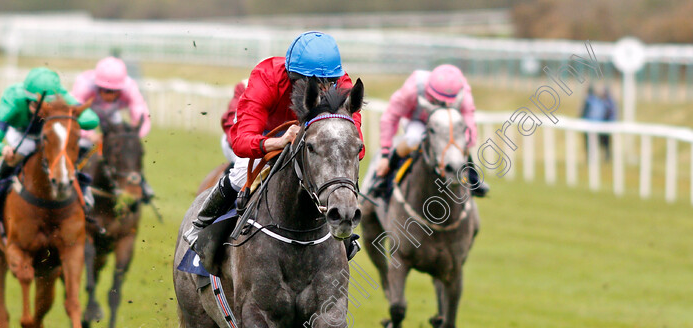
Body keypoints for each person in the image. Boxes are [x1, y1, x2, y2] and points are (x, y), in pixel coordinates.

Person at [183, 31, 364, 260]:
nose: (323, 91)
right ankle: (201, 225)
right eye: (313, 84)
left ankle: (344, 233)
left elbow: (357, 145)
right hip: (264, 135)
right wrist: (279, 141)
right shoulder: (266, 77)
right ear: (292, 76)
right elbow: (241, 141)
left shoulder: (343, 84)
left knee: (334, 171)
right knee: (240, 174)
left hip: (311, 140)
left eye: (328, 83)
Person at [0, 67, 100, 222]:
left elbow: (92, 120)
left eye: (46, 106)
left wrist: (68, 114)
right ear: (26, 98)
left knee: (63, 154)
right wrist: (1, 148)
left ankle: (82, 190)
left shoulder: (61, 96)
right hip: (22, 134)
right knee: (17, 155)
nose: (41, 110)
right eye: (36, 105)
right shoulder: (13, 97)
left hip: (52, 134)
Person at [370, 64, 489, 199]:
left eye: (448, 104)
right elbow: (390, 116)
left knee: (458, 141)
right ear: (429, 91)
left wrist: (464, 142)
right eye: (438, 101)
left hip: (446, 126)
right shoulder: (412, 88)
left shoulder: (463, 90)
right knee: (414, 138)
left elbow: (469, 123)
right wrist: (385, 151)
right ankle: (384, 176)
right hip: (418, 121)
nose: (443, 106)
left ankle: (473, 179)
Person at [71, 56, 155, 201]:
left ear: (120, 89)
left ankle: (140, 181)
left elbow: (142, 116)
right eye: (104, 90)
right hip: (86, 113)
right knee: (82, 144)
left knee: (126, 148)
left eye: (113, 91)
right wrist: (90, 135)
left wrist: (131, 138)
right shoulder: (84, 85)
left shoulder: (129, 87)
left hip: (111, 114)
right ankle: (72, 177)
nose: (108, 95)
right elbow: (73, 116)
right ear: (97, 86)